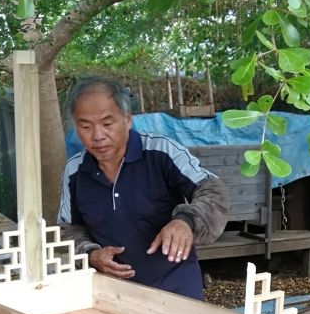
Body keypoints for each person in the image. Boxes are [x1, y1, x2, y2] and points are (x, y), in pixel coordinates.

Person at [58, 77, 229, 300]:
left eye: (107, 124)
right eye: (86, 126)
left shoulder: (161, 152)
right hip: (113, 295)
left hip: (177, 291)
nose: (97, 136)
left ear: (128, 120)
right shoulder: (74, 171)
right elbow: (69, 228)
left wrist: (186, 221)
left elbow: (213, 190)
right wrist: (91, 253)